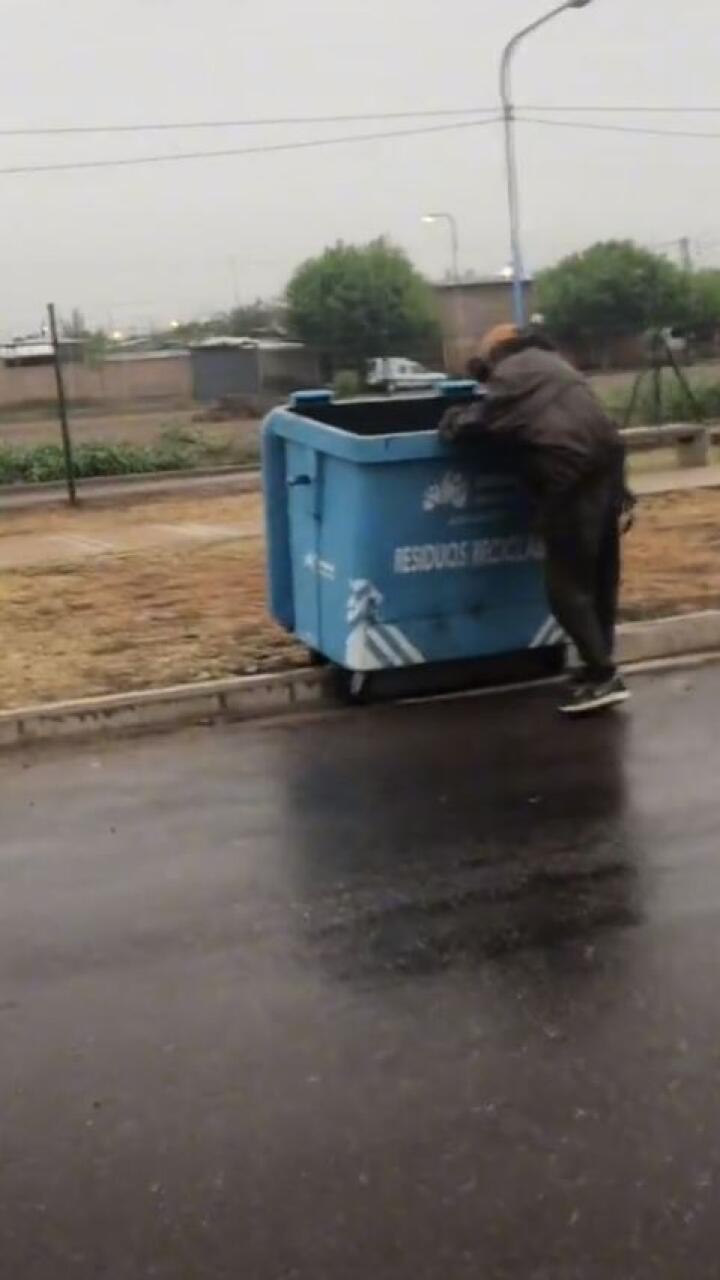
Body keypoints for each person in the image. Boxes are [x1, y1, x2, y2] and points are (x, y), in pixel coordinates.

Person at [440, 323, 634, 716]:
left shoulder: (513, 373)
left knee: (565, 585)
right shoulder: (552, 363)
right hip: (606, 469)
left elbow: (476, 424)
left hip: (570, 476)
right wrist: (624, 492)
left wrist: (451, 421)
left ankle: (603, 675)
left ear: (497, 352)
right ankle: (598, 664)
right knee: (599, 579)